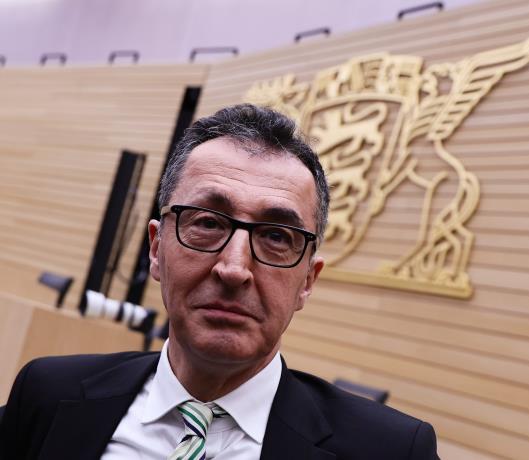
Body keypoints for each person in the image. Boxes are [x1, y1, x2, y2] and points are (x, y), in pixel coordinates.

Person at [0, 104, 439, 459]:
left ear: (308, 280)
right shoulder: (47, 396)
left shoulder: (391, 452)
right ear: (157, 248)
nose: (234, 268)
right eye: (208, 223)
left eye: (276, 237)